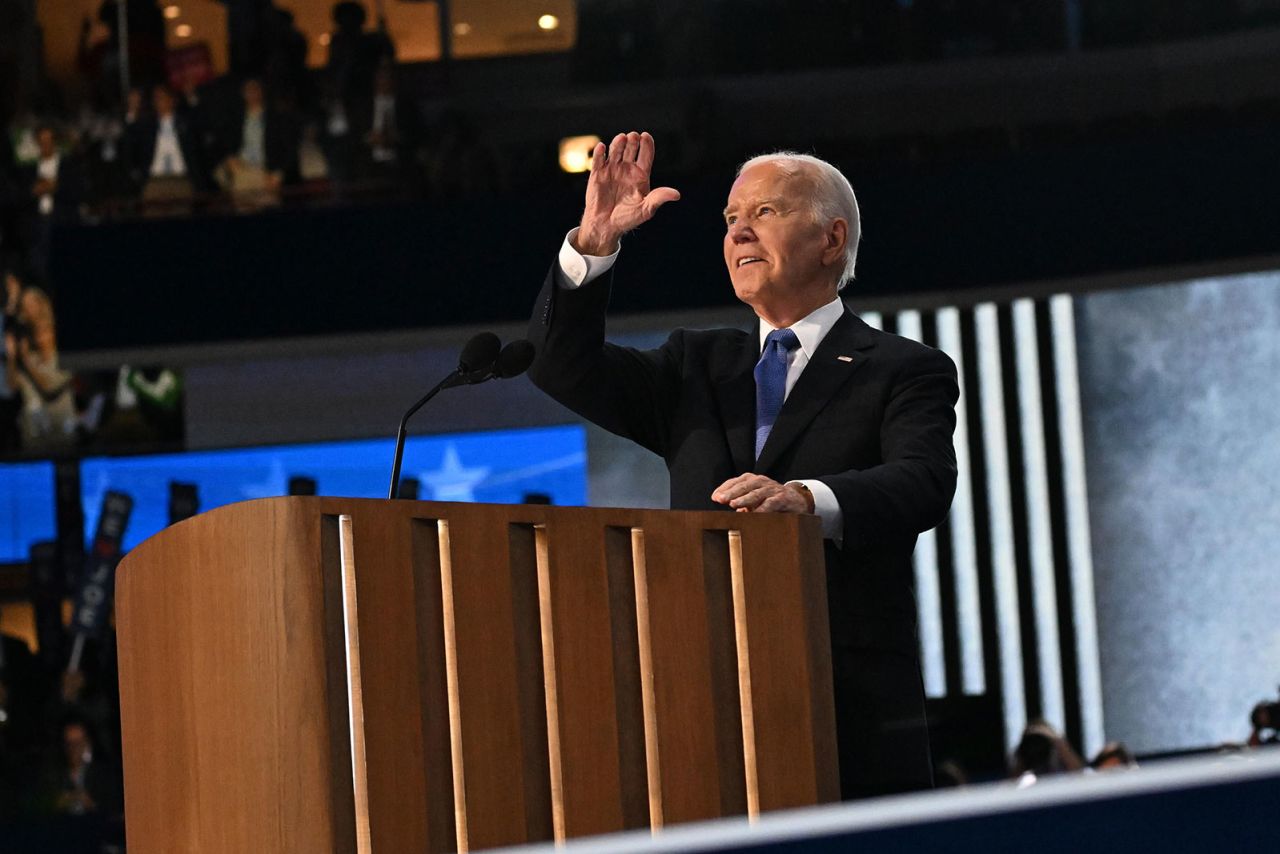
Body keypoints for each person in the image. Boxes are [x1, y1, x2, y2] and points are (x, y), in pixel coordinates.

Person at [527, 131, 959, 799]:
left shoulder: (903, 371)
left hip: (843, 699)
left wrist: (807, 501)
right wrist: (592, 244)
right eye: (730, 218)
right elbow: (561, 366)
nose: (737, 233)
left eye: (765, 212)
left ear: (831, 240)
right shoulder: (695, 366)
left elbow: (923, 483)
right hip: (699, 698)